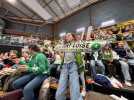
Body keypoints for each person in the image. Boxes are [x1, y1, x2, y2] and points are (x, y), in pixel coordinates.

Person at [55, 33, 83, 100]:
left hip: (73, 65)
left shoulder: (76, 44)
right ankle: (59, 98)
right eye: (66, 36)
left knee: (74, 85)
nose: (66, 37)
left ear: (73, 37)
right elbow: (64, 57)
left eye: (69, 35)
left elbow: (79, 56)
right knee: (61, 85)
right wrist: (59, 54)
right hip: (65, 65)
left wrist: (81, 66)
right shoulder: (65, 46)